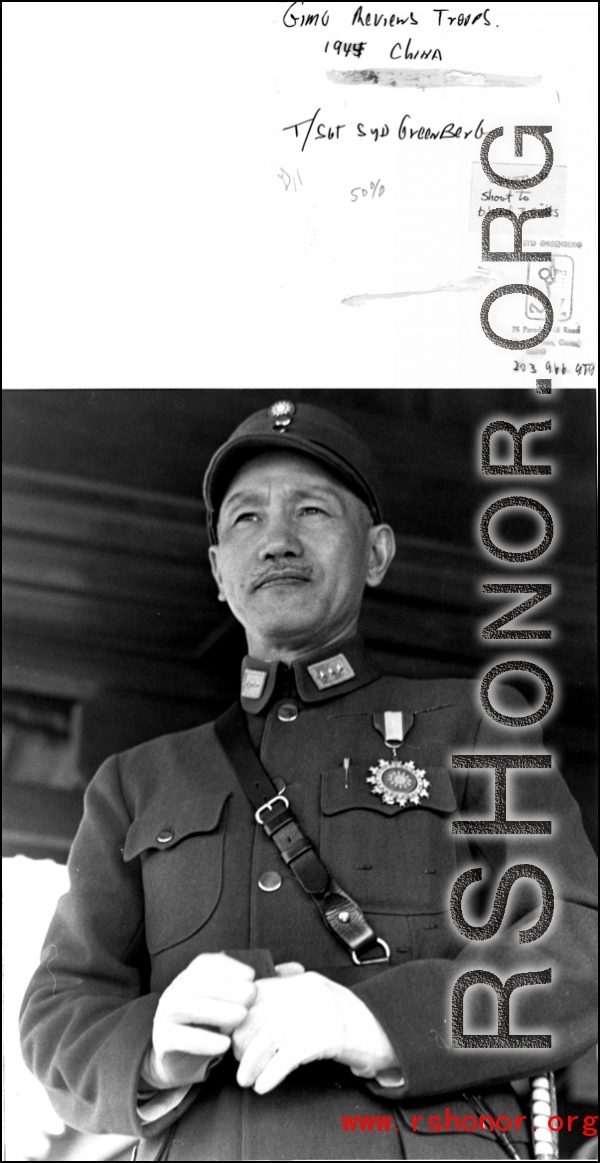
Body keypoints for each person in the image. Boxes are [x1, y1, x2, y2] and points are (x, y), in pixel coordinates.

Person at [20, 400, 597, 1162]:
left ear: (378, 552)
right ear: (218, 571)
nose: (278, 540)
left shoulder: (472, 726)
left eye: (313, 509)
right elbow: (60, 1009)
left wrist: (374, 1022)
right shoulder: (136, 782)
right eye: (246, 519)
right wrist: (154, 1045)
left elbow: (574, 949)